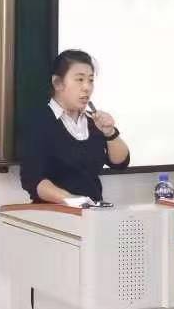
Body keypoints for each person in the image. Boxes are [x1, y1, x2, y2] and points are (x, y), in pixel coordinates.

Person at [20, 49, 130, 205]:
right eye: (80, 79)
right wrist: (72, 200)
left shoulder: (93, 121)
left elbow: (120, 163)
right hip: (54, 213)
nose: (87, 87)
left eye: (90, 80)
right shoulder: (39, 122)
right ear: (57, 83)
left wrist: (110, 133)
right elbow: (33, 179)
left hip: (92, 212)